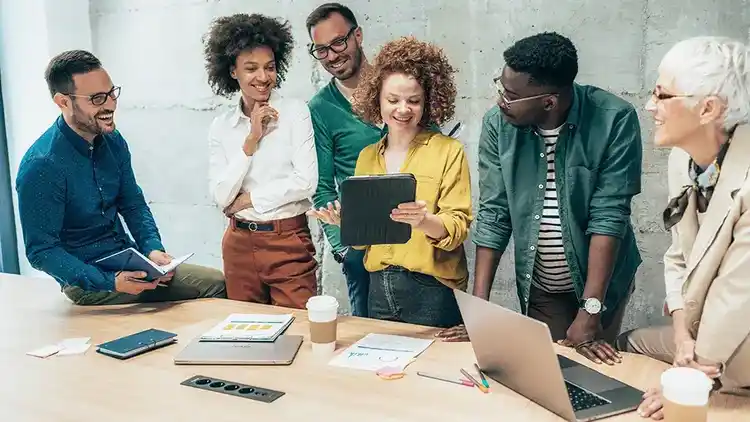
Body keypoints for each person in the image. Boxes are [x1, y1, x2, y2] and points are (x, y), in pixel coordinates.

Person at [437, 32, 643, 365]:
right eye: (501, 87)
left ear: (548, 102)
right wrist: (479, 311)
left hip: (601, 285)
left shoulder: (614, 119)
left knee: (594, 373)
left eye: (511, 94)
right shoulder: (498, 125)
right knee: (549, 374)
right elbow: (494, 213)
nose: (501, 100)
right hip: (542, 285)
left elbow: (609, 216)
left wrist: (591, 309)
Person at [15, 50, 226, 305]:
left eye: (112, 93)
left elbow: (133, 204)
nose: (110, 105)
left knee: (216, 283)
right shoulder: (42, 165)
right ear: (63, 102)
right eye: (97, 98)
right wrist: (110, 281)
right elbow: (41, 251)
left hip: (129, 259)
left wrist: (152, 249)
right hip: (86, 280)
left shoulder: (113, 142)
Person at [614, 36, 750, 420]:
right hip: (706, 326)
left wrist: (689, 373)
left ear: (708, 108)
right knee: (626, 342)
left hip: (740, 335)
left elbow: (737, 295)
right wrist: (679, 333)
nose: (649, 106)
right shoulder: (682, 159)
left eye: (662, 95)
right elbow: (678, 255)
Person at [308, 36, 472, 328]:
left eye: (414, 101)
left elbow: (458, 228)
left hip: (432, 290)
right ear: (377, 99)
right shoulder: (367, 157)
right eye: (393, 100)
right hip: (378, 288)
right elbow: (365, 241)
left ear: (429, 101)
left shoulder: (448, 151)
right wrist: (346, 223)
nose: (403, 109)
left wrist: (424, 221)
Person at [203, 13, 318, 309]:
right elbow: (221, 196)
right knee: (245, 335)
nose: (263, 77)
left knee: (299, 332)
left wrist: (248, 199)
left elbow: (305, 182)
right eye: (251, 68)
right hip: (238, 245)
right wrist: (251, 141)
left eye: (270, 67)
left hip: (287, 240)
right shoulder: (222, 126)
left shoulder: (295, 113)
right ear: (232, 72)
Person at [305, 3, 377, 317]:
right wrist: (345, 249)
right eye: (321, 50)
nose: (332, 56)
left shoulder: (402, 88)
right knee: (369, 340)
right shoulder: (321, 108)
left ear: (357, 35)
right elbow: (322, 189)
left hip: (417, 243)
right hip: (361, 249)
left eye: (338, 43)